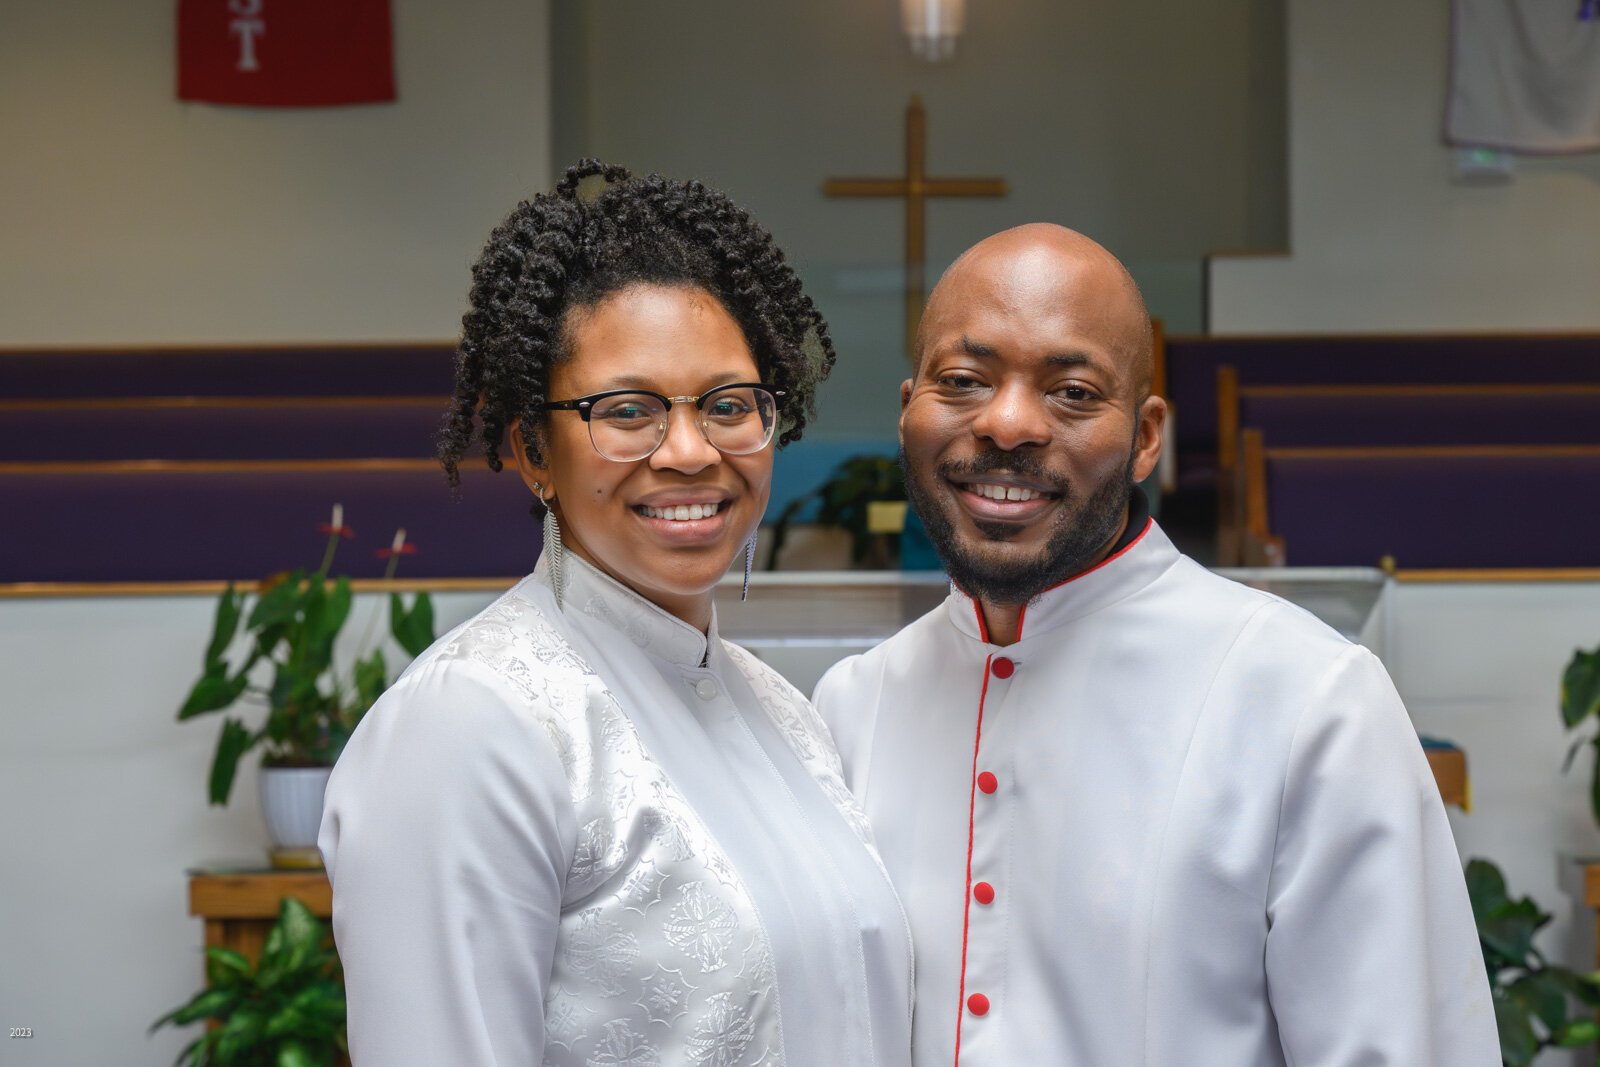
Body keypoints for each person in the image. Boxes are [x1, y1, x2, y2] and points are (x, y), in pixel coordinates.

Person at [813, 224, 1498, 1065]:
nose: (1009, 423)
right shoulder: (851, 706)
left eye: (1070, 391)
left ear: (1145, 437)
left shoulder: (1308, 699)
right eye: (964, 380)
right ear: (908, 406)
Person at [319, 161, 913, 1066]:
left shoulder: (787, 715)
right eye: (626, 410)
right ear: (533, 451)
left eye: (727, 404)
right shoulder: (472, 723)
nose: (688, 450)